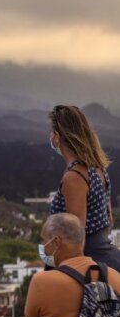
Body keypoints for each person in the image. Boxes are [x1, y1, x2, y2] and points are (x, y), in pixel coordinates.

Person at [48, 105, 119, 270]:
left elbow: (75, 238)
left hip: (89, 261)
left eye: (51, 132)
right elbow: (108, 219)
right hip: (106, 254)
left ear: (57, 137)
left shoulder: (74, 177)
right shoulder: (98, 169)